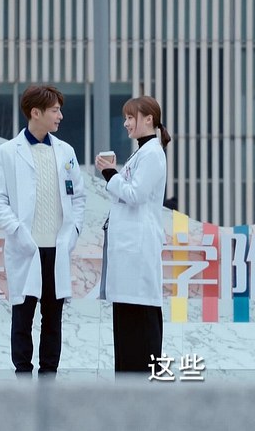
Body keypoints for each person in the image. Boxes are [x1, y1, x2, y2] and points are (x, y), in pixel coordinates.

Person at [0, 84, 86, 377]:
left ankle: (49, 375)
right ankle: (22, 373)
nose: (60, 116)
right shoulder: (6, 153)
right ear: (35, 113)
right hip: (26, 247)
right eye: (55, 110)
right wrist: (17, 230)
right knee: (23, 314)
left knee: (53, 316)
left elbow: (78, 196)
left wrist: (74, 231)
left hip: (58, 247)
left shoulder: (65, 152)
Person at [95, 96, 171, 373]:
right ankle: (127, 385)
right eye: (126, 118)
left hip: (138, 251)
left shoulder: (152, 154)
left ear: (148, 119)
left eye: (130, 118)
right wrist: (115, 175)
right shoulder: (142, 153)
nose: (126, 123)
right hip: (129, 254)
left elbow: (136, 194)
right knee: (127, 324)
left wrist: (110, 174)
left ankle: (140, 387)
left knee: (139, 324)